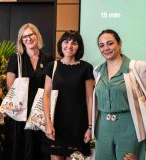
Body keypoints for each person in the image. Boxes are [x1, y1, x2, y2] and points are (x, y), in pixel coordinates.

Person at [1, 23, 53, 160]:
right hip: (21, 112)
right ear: (21, 40)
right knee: (20, 149)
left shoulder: (48, 58)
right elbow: (10, 85)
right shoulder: (16, 58)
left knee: (39, 148)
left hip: (40, 109)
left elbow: (51, 86)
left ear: (37, 36)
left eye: (31, 35)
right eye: (24, 36)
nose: (28, 38)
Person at [93, 29, 146, 160]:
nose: (106, 48)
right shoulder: (97, 71)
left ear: (119, 43)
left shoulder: (137, 67)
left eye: (110, 43)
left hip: (129, 127)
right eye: (102, 45)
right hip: (102, 128)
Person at [42, 30, 94, 160]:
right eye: (66, 42)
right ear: (61, 44)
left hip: (78, 126)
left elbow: (90, 98)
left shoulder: (86, 68)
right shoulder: (52, 66)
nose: (69, 46)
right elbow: (46, 95)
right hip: (56, 125)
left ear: (79, 46)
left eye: (74, 43)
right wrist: (48, 123)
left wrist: (90, 127)